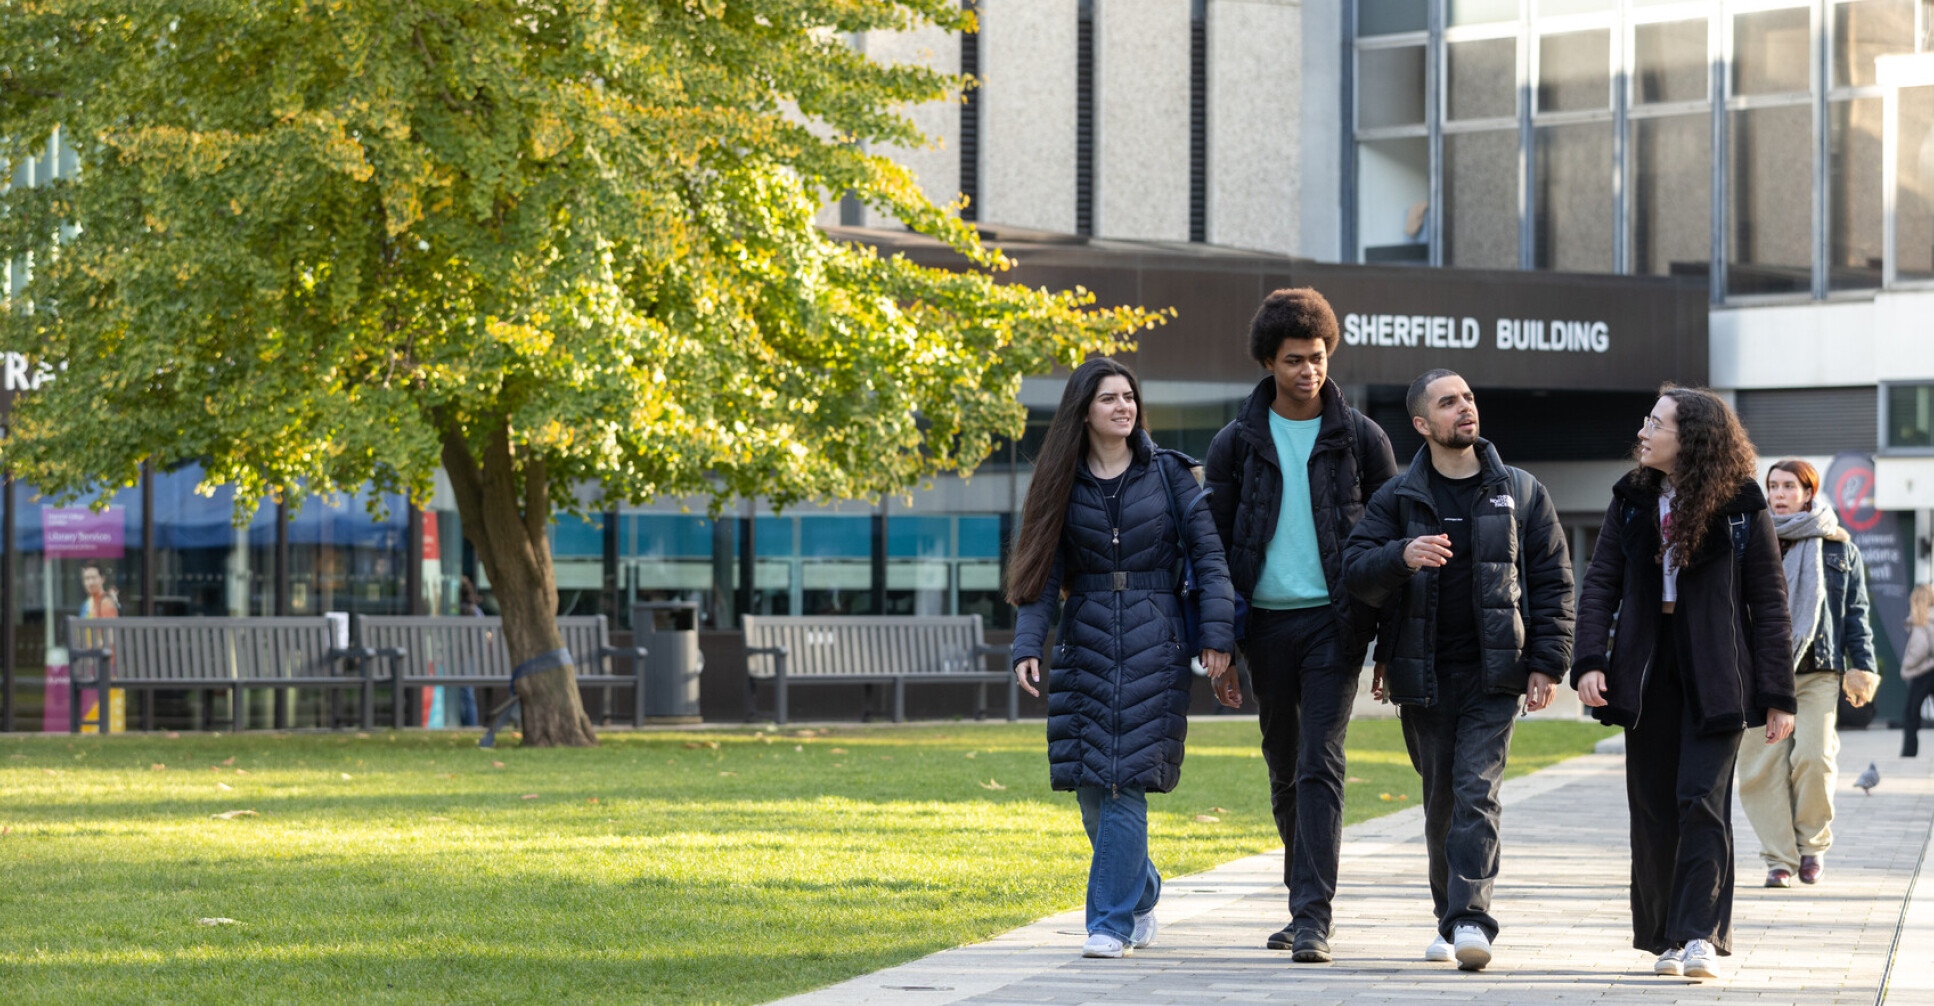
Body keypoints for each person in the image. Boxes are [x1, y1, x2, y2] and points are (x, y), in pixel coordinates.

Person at [1342, 370, 1574, 972]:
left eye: (1469, 396)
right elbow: (1356, 571)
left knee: (1477, 793)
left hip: (1496, 674)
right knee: (1441, 801)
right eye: (1449, 402)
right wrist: (1401, 555)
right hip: (1422, 678)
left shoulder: (1521, 491)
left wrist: (1548, 662)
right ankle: (1451, 916)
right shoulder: (1397, 497)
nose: (1465, 408)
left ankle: (1472, 917)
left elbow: (1553, 584)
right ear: (1422, 423)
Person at [1009, 358, 1237, 960]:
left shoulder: (1169, 475)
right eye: (1109, 398)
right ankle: (1143, 888)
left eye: (1129, 397)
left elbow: (1211, 559)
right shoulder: (1060, 480)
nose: (1123, 407)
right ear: (1084, 409)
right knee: (1090, 785)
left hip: (1153, 641)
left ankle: (1108, 925)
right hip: (1083, 640)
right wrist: (1028, 645)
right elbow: (1040, 574)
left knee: (1123, 780)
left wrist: (1217, 636)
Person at [1573, 386, 1796, 982]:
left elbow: (1769, 605)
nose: (1643, 432)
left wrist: (1778, 695)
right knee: (1652, 807)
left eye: (1655, 423)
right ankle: (1665, 936)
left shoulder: (1743, 508)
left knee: (1701, 800)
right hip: (1647, 669)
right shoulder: (1630, 500)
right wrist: (1590, 659)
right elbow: (1600, 586)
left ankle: (1699, 934)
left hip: (1717, 672)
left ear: (1689, 436)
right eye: (1646, 421)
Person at [1203, 287, 1397, 962]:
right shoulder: (1235, 443)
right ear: (1268, 362)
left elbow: (1393, 543)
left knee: (1321, 760)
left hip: (1334, 625)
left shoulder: (1362, 439)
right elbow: (1215, 548)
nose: (1308, 370)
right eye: (1293, 360)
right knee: (1284, 767)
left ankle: (1314, 915)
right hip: (1263, 627)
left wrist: (1388, 646)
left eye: (1316, 357)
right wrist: (1219, 640)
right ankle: (1300, 900)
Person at [1738, 459, 1878, 889]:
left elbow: (1857, 614)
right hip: (1759, 671)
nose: (1778, 494)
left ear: (1808, 492)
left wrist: (1864, 667)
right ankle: (1779, 859)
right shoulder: (1749, 540)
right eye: (1773, 486)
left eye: (1788, 487)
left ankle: (1811, 846)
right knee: (1761, 767)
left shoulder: (1839, 549)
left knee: (1814, 758)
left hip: (1819, 670)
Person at [1900, 584, 1934, 758]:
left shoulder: (1922, 619)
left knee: (1911, 713)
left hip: (1924, 672)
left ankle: (1909, 752)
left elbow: (1921, 647)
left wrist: (1908, 664)